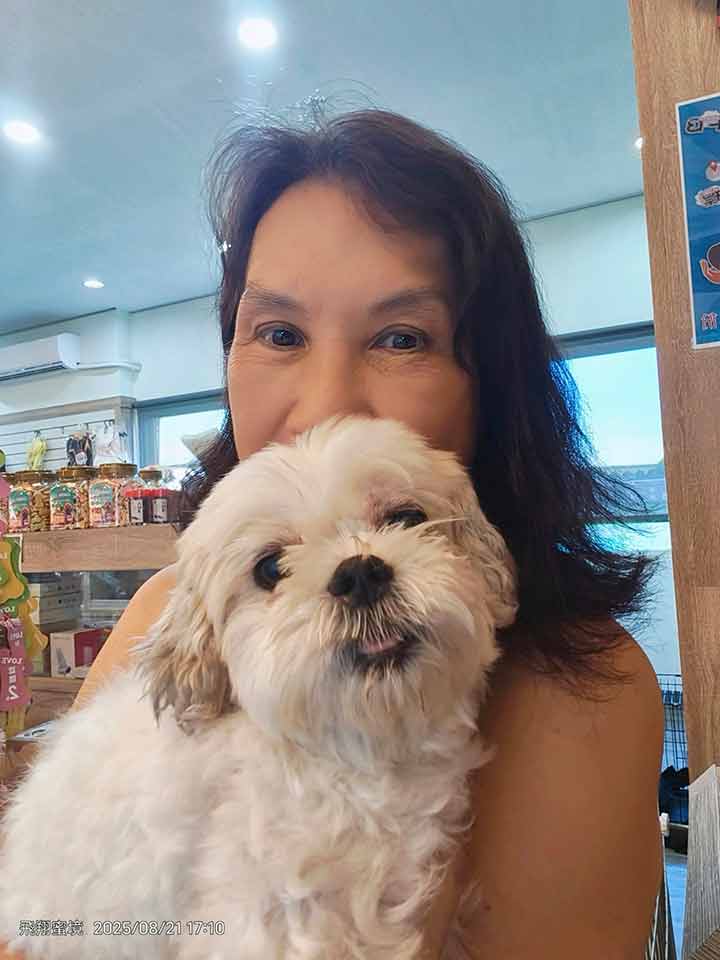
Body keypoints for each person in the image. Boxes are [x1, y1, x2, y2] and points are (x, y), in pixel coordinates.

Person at [0, 108, 668, 959]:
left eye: (401, 338)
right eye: (279, 334)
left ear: (491, 379)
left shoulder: (585, 692)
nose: (325, 405)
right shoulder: (171, 606)